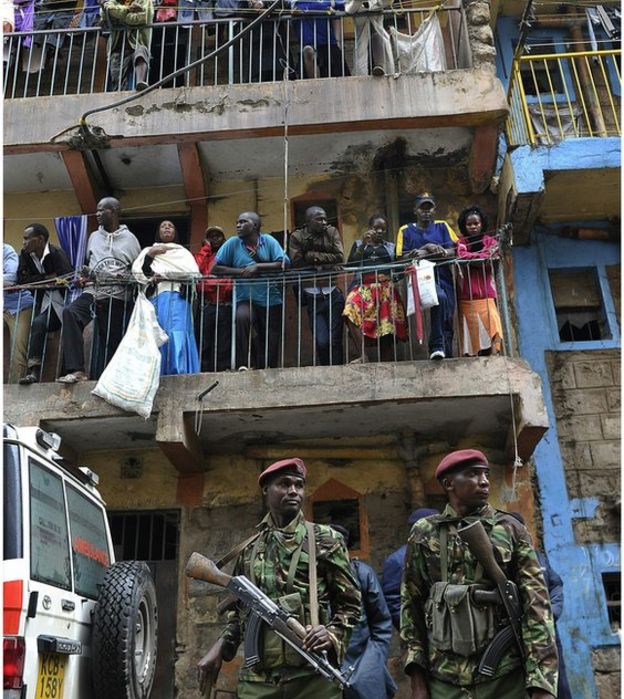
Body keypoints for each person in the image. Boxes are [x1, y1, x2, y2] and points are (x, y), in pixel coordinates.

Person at [196, 457, 361, 698]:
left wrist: (332, 634)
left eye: (299, 485)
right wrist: (220, 647)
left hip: (312, 678)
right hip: (258, 681)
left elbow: (351, 605)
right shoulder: (250, 548)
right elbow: (239, 614)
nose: (293, 491)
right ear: (266, 490)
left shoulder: (326, 540)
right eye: (284, 484)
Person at [401, 448, 558, 699]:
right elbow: (411, 606)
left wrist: (542, 684)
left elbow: (537, 607)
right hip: (444, 678)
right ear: (448, 483)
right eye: (473, 474)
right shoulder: (424, 532)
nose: (484, 481)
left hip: (504, 677)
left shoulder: (510, 529)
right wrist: (417, 681)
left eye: (485, 474)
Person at [57, 197, 141, 384]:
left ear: (115, 212)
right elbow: (89, 263)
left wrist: (124, 279)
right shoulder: (94, 236)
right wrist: (84, 276)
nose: (98, 214)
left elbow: (137, 270)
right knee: (70, 312)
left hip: (117, 296)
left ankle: (116, 379)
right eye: (97, 210)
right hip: (93, 291)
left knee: (111, 339)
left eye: (103, 210)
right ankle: (77, 370)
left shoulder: (131, 240)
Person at [213, 212, 289, 369]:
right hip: (245, 297)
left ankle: (270, 368)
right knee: (242, 318)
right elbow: (215, 268)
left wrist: (257, 266)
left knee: (270, 335)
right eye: (237, 222)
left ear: (255, 225)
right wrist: (241, 272)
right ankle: (244, 364)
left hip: (271, 298)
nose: (238, 225)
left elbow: (283, 263)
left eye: (243, 222)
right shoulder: (233, 243)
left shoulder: (268, 241)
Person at [331, 524, 397, 699]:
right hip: (327, 668)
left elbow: (381, 622)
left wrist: (373, 659)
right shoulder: (312, 578)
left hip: (364, 663)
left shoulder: (362, 574)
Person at [510, 513, 572, 699]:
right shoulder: (504, 561)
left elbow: (556, 585)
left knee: (559, 684)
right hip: (520, 636)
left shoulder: (539, 557)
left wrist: (550, 612)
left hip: (549, 631)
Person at [132, 220, 200, 375]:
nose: (167, 227)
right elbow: (138, 273)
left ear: (175, 233)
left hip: (178, 297)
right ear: (158, 233)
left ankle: (179, 370)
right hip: (156, 298)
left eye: (171, 226)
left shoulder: (183, 252)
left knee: (177, 332)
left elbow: (193, 273)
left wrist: (166, 275)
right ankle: (157, 372)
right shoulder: (148, 251)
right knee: (158, 334)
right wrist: (150, 255)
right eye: (163, 226)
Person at [396, 193, 458, 360]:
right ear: (415, 210)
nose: (426, 212)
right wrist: (428, 247)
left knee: (447, 315)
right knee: (439, 297)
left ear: (434, 210)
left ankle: (447, 354)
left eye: (429, 207)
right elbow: (402, 257)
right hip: (421, 278)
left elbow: (456, 249)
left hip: (444, 276)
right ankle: (436, 346)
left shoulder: (442, 226)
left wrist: (437, 251)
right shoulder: (406, 230)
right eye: (422, 208)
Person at [343, 213, 407, 363]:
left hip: (385, 290)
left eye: (383, 229)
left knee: (386, 326)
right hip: (363, 287)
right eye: (376, 228)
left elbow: (400, 270)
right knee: (349, 311)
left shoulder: (391, 247)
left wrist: (392, 279)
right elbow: (351, 265)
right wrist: (364, 246)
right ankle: (363, 355)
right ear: (369, 228)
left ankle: (387, 362)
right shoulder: (359, 245)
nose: (379, 231)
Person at [17, 223, 74, 385]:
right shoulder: (25, 255)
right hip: (43, 302)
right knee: (38, 324)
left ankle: (65, 371)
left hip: (63, 303)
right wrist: (46, 278)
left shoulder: (56, 254)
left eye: (28, 239)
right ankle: (33, 372)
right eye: (23, 239)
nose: (24, 243)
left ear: (40, 239)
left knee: (40, 323)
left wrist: (46, 280)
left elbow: (67, 277)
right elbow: (22, 280)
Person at [289, 206, 345, 366]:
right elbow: (297, 261)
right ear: (308, 221)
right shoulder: (297, 236)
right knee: (321, 341)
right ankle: (325, 370)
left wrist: (312, 256)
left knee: (335, 340)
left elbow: (340, 257)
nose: (324, 222)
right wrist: (326, 261)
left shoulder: (332, 232)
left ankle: (337, 372)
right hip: (312, 295)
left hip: (333, 292)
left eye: (325, 218)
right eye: (319, 219)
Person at [456, 206, 503, 357]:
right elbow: (462, 256)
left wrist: (474, 259)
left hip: (487, 294)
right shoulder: (461, 242)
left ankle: (494, 356)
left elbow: (493, 254)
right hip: (467, 295)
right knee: (471, 332)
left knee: (493, 326)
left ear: (482, 224)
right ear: (464, 226)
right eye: (469, 224)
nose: (473, 227)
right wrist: (482, 257)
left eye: (476, 223)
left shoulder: (490, 241)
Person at [380, 507, 437, 630]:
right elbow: (392, 600)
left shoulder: (443, 553)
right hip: (419, 628)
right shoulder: (397, 560)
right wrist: (410, 628)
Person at [194, 225, 234, 372]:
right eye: (211, 236)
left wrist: (209, 282)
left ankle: (222, 370)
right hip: (207, 304)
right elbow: (196, 269)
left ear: (224, 239)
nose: (215, 238)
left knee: (224, 341)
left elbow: (231, 282)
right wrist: (206, 248)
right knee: (204, 341)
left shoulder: (229, 255)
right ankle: (201, 370)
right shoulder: (205, 255)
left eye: (218, 236)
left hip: (225, 304)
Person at [100, 0, 153, 90]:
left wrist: (118, 16)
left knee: (141, 52)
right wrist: (129, 10)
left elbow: (143, 18)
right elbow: (107, 13)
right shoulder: (114, 1)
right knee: (116, 73)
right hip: (117, 46)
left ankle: (140, 82)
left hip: (136, 42)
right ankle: (119, 94)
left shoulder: (144, 1)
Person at [291, 0, 350, 79]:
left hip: (328, 45)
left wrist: (338, 42)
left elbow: (337, 14)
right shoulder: (294, 2)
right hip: (313, 43)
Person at [3, 243, 34, 383]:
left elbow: (10, 279)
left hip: (19, 304)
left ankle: (15, 389)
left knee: (18, 350)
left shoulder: (6, 250)